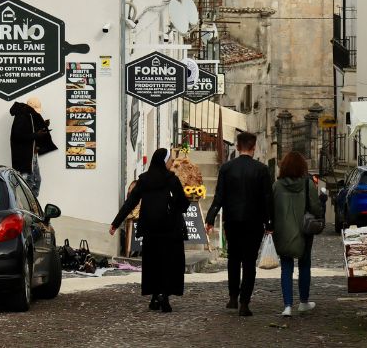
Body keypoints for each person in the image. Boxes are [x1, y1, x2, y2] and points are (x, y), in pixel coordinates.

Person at [109, 148, 189, 313]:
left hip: (150, 229)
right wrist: (174, 204)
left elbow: (130, 202)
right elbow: (183, 203)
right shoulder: (171, 180)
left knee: (153, 263)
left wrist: (116, 223)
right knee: (168, 263)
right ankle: (165, 297)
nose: (171, 163)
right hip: (170, 229)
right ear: (163, 161)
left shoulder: (144, 180)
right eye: (170, 161)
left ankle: (154, 297)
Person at [205, 131, 272, 317]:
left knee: (233, 259)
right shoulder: (261, 169)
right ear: (253, 147)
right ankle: (245, 302)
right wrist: (269, 222)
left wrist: (210, 219)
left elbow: (219, 197)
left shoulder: (227, 168)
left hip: (232, 220)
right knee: (249, 261)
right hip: (254, 221)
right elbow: (267, 199)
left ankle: (233, 297)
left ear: (237, 146)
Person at [273, 152, 323, 317]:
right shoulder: (307, 184)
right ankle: (303, 301)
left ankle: (287, 305)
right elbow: (315, 208)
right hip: (303, 231)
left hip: (283, 231)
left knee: (286, 267)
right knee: (304, 265)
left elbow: (271, 208)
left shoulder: (277, 186)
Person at [9, 97, 56, 194]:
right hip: (24, 157)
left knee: (36, 182)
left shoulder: (29, 115)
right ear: (31, 108)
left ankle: (31, 205)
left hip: (31, 155)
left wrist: (44, 126)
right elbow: (17, 136)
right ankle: (26, 206)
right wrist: (37, 135)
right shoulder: (22, 116)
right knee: (28, 183)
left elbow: (30, 129)